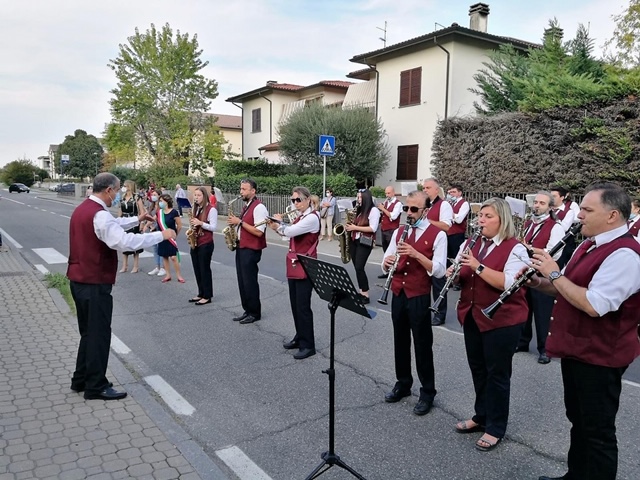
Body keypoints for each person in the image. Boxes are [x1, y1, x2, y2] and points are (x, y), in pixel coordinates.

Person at [527, 182, 640, 480]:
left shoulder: (626, 255)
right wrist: (539, 283)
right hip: (578, 351)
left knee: (598, 432)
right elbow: (568, 288)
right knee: (578, 421)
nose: (579, 216)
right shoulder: (589, 244)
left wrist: (553, 271)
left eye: (588, 210)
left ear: (613, 215)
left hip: (601, 357)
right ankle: (575, 475)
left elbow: (594, 304)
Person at [67, 173, 175, 400]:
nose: (117, 196)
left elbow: (114, 224)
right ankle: (95, 385)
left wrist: (137, 219)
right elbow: (124, 241)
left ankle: (80, 379)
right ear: (108, 190)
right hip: (95, 282)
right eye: (116, 191)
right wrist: (160, 235)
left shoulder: (84, 209)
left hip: (79, 279)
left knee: (88, 333)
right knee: (99, 334)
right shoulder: (99, 215)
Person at [451, 197, 529, 452]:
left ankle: (496, 427)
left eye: (488, 216)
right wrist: (454, 275)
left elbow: (508, 283)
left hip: (502, 320)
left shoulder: (516, 248)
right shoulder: (471, 243)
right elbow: (462, 277)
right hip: (472, 315)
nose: (481, 220)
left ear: (502, 220)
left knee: (497, 374)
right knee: (478, 369)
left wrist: (477, 265)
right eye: (480, 215)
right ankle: (481, 415)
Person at [382, 190, 446, 416]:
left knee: (422, 344)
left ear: (426, 210)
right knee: (400, 340)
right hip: (398, 292)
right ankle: (403, 383)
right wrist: (386, 263)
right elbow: (385, 258)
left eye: (413, 209)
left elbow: (438, 270)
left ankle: (427, 391)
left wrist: (416, 254)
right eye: (406, 208)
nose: (408, 213)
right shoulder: (400, 230)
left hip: (418, 295)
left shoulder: (438, 234)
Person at [269, 186, 320, 360]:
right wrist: (276, 227)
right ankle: (300, 336)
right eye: (293, 200)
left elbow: (290, 231)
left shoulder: (312, 218)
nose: (295, 203)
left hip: (306, 266)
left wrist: (278, 224)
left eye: (298, 200)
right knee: (295, 304)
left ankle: (308, 345)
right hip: (295, 264)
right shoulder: (300, 217)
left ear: (308, 200)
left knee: (303, 307)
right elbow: (287, 236)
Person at [516, 191, 565, 364]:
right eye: (535, 202)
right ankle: (523, 342)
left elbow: (555, 253)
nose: (536, 205)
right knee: (525, 309)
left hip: (542, 274)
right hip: (527, 271)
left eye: (541, 203)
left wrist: (529, 249)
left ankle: (545, 349)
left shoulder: (556, 226)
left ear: (550, 207)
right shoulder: (530, 223)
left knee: (543, 313)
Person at [226, 178, 268, 324]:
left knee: (250, 282)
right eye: (241, 189)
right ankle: (247, 310)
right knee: (242, 281)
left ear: (253, 191)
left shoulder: (259, 207)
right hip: (242, 247)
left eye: (244, 189)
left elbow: (259, 232)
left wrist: (240, 222)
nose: (241, 192)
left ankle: (255, 312)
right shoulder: (247, 206)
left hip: (251, 249)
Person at [422, 178, 453, 325]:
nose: (425, 190)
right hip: (423, 247)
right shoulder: (424, 204)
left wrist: (426, 222)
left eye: (428, 187)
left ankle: (440, 313)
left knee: (438, 282)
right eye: (423, 188)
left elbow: (446, 226)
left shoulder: (444, 205)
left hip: (437, 247)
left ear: (436, 189)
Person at [345, 189, 379, 303]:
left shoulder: (373, 210)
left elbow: (373, 228)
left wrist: (355, 228)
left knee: (359, 267)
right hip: (355, 240)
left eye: (360, 197)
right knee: (357, 268)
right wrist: (350, 226)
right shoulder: (359, 210)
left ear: (366, 198)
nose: (358, 199)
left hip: (365, 241)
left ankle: (366, 295)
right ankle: (361, 292)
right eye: (358, 197)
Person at [188, 186, 217, 305]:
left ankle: (207, 295)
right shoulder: (195, 208)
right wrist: (191, 229)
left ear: (204, 197)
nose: (196, 197)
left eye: (199, 195)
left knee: (204, 269)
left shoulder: (211, 209)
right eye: (195, 195)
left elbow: (214, 227)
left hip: (206, 243)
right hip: (196, 241)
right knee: (197, 269)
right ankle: (200, 292)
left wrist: (200, 223)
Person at [118, 180, 146, 274]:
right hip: (125, 221)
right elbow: (120, 211)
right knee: (124, 244)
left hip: (134, 221)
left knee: (135, 244)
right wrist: (118, 222)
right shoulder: (122, 197)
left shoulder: (137, 197)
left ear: (130, 186)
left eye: (125, 185)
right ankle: (124, 266)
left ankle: (135, 266)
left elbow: (141, 211)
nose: (124, 187)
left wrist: (141, 223)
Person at [550, 186, 580, 269]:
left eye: (554, 196)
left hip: (562, 244)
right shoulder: (547, 209)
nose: (551, 198)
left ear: (562, 197)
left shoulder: (569, 211)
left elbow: (564, 228)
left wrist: (555, 218)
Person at [156, 194, 184, 283]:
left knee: (173, 257)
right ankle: (168, 275)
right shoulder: (159, 212)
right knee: (164, 256)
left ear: (167, 201)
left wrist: (176, 234)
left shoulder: (174, 212)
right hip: (162, 237)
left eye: (161, 201)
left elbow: (179, 225)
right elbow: (155, 221)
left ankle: (179, 275)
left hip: (171, 237)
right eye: (159, 201)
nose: (160, 203)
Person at [377, 186, 403, 279]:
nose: (387, 195)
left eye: (388, 193)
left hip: (392, 230)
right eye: (386, 193)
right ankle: (387, 270)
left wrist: (383, 209)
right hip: (384, 229)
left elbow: (393, 216)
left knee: (392, 251)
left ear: (393, 193)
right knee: (385, 250)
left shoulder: (398, 204)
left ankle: (394, 270)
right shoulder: (387, 202)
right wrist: (381, 210)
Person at [143, 191, 166, 277]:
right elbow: (149, 217)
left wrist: (153, 226)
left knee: (160, 248)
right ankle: (157, 266)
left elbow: (159, 218)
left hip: (159, 229)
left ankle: (163, 268)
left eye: (155, 195)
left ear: (159, 196)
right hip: (152, 229)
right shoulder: (151, 206)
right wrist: (146, 225)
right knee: (155, 249)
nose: (153, 196)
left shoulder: (161, 207)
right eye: (152, 195)